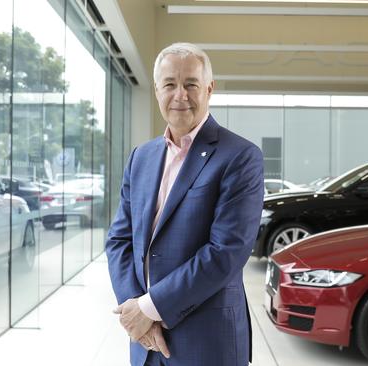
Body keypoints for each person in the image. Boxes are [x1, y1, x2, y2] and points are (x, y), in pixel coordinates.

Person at [105, 42, 264, 366]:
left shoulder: (240, 157)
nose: (180, 95)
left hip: (207, 343)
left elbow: (226, 252)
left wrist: (149, 308)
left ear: (209, 88)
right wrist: (134, 311)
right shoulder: (141, 157)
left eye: (191, 83)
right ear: (156, 90)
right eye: (170, 84)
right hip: (145, 343)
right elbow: (119, 240)